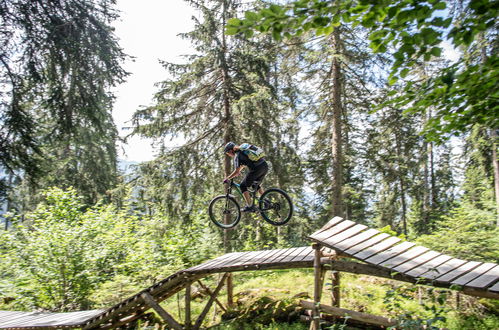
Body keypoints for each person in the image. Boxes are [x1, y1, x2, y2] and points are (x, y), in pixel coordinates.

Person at [223, 141, 268, 212]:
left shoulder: (237, 156)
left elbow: (236, 171)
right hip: (264, 166)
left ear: (231, 151)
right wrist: (238, 171)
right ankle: (266, 201)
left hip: (256, 169)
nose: (228, 155)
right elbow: (242, 166)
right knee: (255, 184)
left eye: (228, 153)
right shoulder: (243, 151)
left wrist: (227, 178)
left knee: (242, 186)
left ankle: (249, 206)